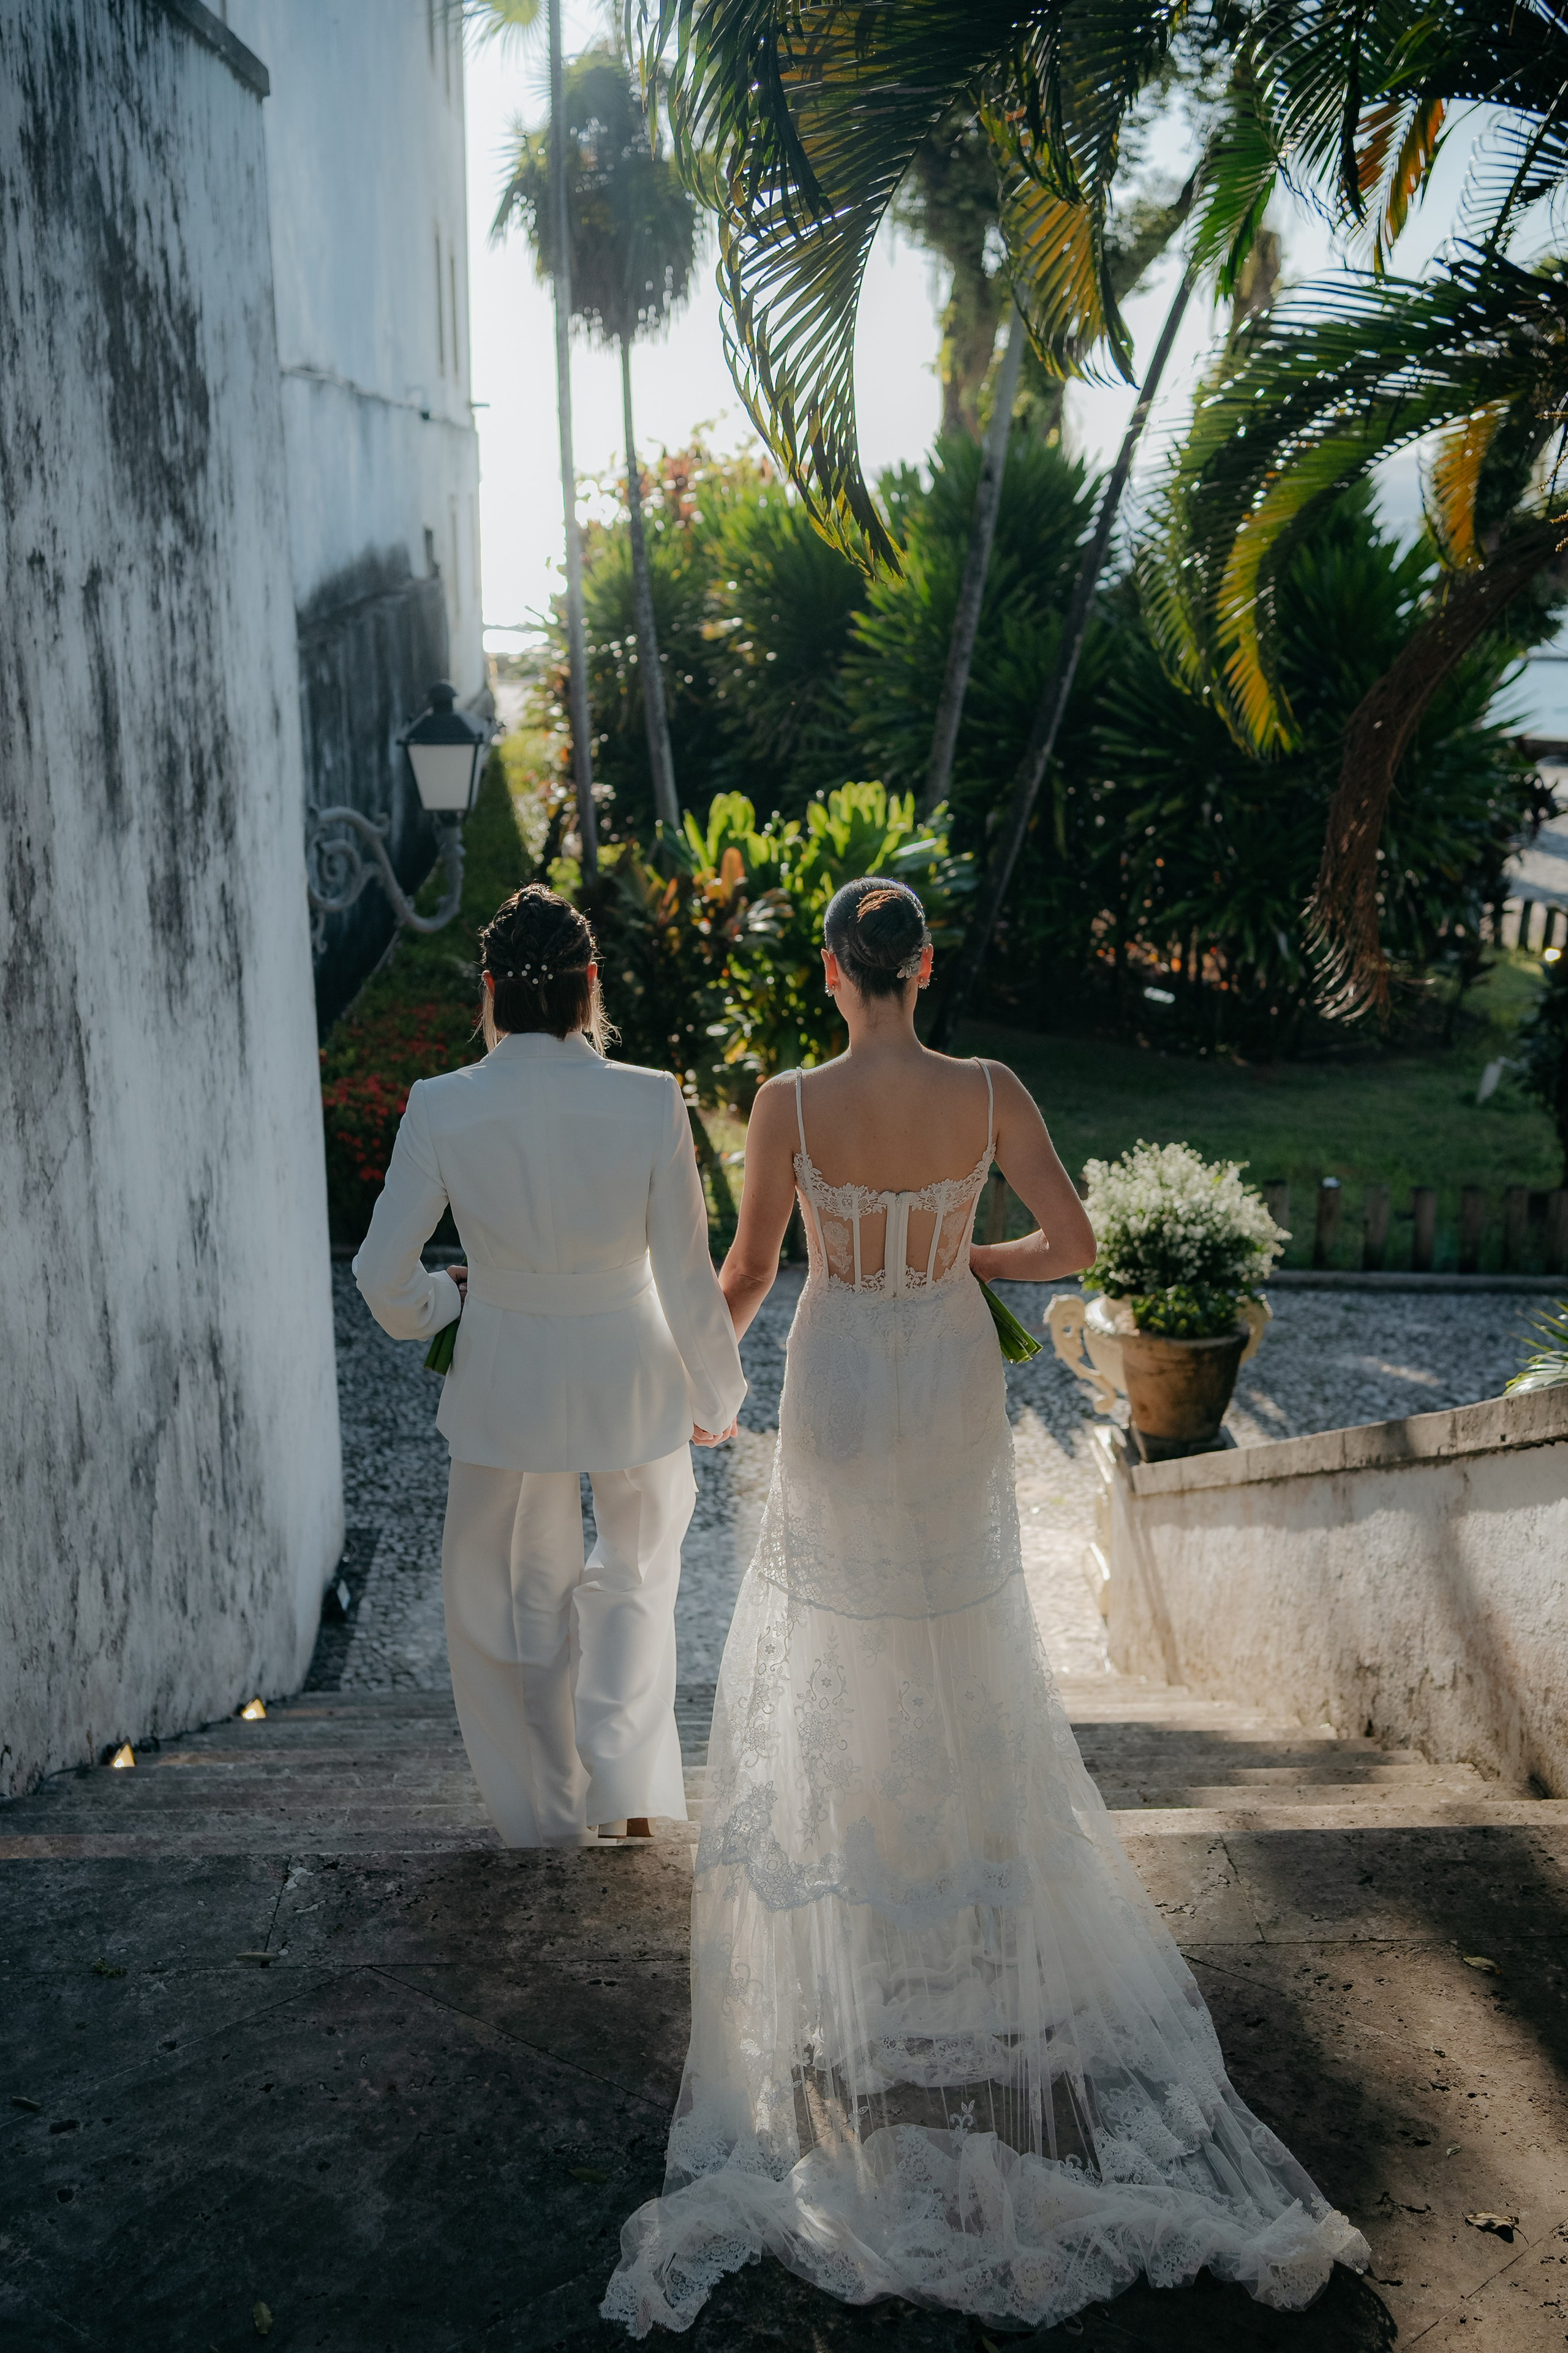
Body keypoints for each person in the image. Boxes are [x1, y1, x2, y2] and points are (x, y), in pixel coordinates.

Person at [604, 878, 1367, 2334]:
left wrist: (697, 1392)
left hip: (837, 1381)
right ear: (924, 967)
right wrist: (970, 1256)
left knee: (844, 1644)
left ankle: (869, 1938)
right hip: (947, 1375)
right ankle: (955, 1922)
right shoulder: (989, 1087)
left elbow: (751, 1269)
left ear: (837, 972)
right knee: (961, 1639)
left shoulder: (783, 1102)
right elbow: (1073, 1244)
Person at [353, 884, 745, 1848]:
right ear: (591, 987)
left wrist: (447, 1301)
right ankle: (628, 1788)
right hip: (634, 1373)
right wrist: (718, 1392)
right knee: (639, 1578)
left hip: (504, 1382)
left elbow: (378, 1273)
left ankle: (544, 1818)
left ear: (489, 990)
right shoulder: (651, 1097)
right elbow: (686, 1271)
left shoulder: (443, 1104)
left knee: (506, 1602)